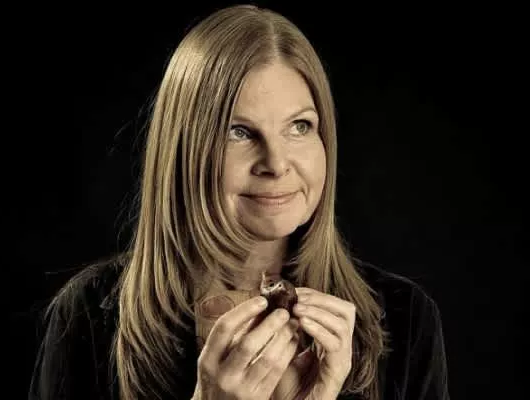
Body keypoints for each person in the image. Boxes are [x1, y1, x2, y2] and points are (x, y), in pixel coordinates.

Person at [28, 4, 450, 400]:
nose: (276, 164)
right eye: (239, 132)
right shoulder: (87, 317)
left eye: (300, 126)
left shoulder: (406, 319)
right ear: (184, 150)